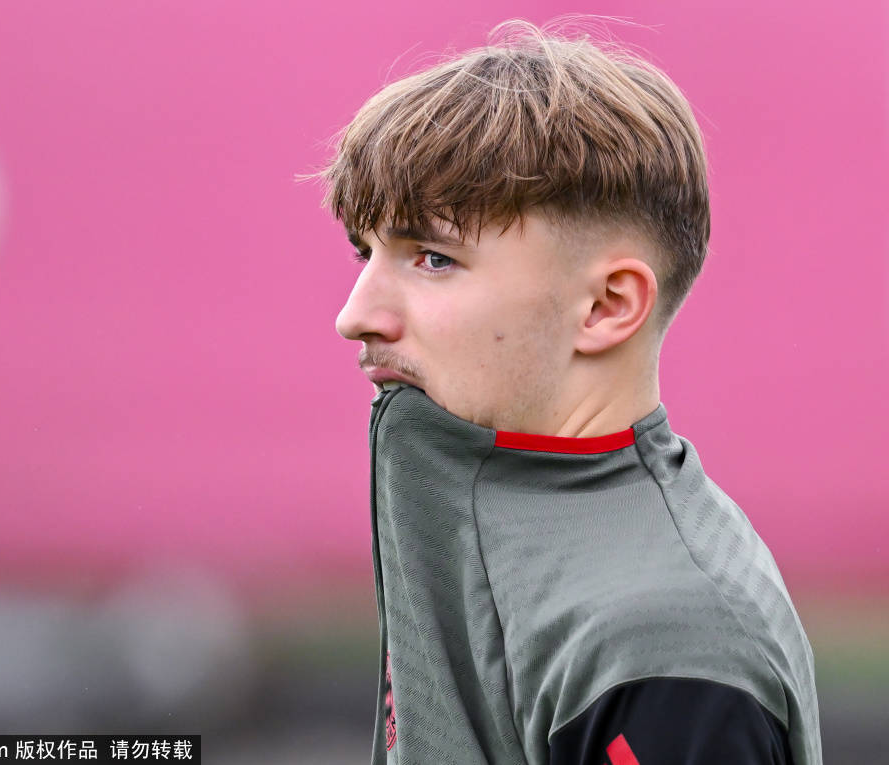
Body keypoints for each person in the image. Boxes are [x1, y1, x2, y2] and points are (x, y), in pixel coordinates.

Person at [315, 19, 822, 765]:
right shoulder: (473, 505)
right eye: (367, 252)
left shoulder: (663, 649)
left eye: (432, 257)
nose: (355, 315)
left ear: (607, 306)